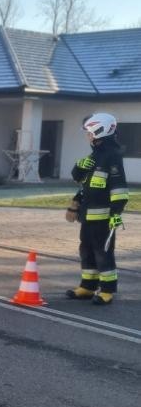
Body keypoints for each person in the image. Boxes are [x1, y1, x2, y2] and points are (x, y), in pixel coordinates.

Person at [66, 112, 129, 305]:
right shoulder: (95, 156)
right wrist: (75, 204)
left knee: (103, 254)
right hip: (87, 218)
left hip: (104, 219)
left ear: (100, 131)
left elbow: (119, 191)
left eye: (90, 133)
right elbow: (84, 183)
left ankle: (107, 291)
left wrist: (115, 215)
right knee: (86, 251)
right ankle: (87, 287)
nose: (88, 136)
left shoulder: (112, 157)